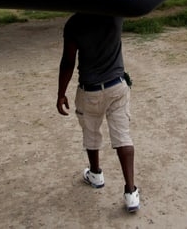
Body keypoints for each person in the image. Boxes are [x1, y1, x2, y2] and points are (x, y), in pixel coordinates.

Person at [56, 12, 139, 213]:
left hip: (89, 90)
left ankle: (95, 174)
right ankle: (130, 192)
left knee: (91, 133)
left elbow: (68, 61)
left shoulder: (74, 23)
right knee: (123, 137)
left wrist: (61, 93)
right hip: (117, 86)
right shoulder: (115, 13)